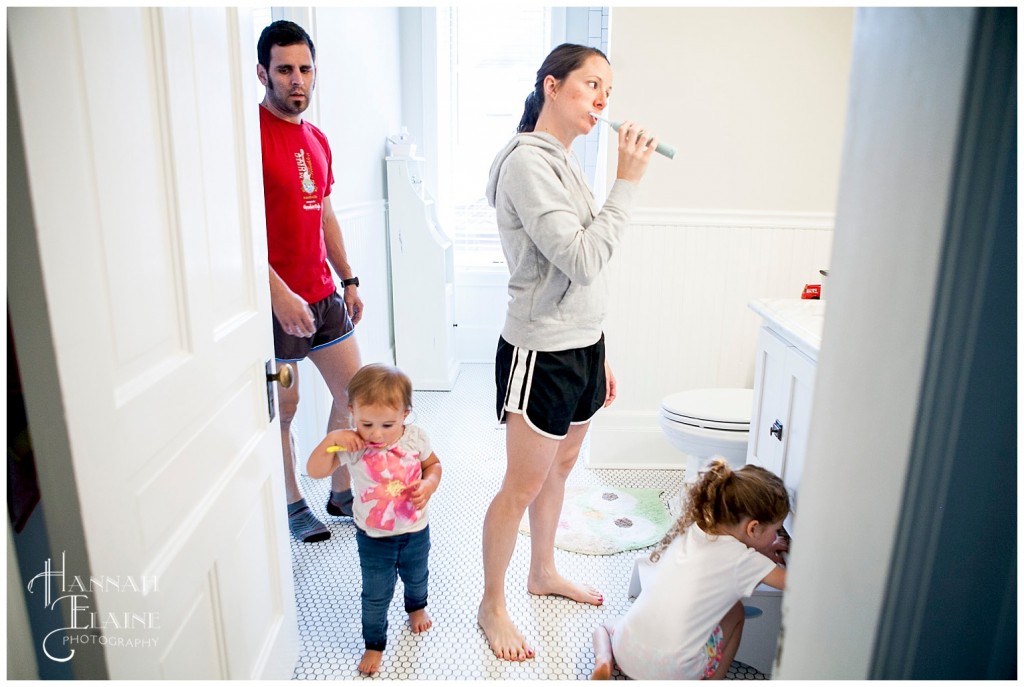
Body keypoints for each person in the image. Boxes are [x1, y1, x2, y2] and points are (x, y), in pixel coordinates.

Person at [477, 43, 659, 661]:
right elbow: (582, 257)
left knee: (561, 468)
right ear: (551, 87)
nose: (602, 99)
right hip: (542, 352)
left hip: (582, 346)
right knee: (522, 484)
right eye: (589, 84)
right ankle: (492, 603)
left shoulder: (565, 158)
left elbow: (583, 273)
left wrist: (598, 350)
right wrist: (627, 184)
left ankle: (543, 570)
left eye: (607, 88)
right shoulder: (529, 164)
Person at [257, 20, 364, 543]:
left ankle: (340, 491)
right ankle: (293, 501)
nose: (296, 79)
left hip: (324, 295)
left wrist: (349, 278)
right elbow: (238, 231)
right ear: (264, 72)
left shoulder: (317, 138)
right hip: (277, 306)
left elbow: (325, 216)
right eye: (284, 69)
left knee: (354, 394)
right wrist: (278, 294)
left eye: (304, 69)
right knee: (286, 408)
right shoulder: (249, 136)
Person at [590, 459, 790, 680]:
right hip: (675, 671)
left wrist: (763, 551)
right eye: (776, 530)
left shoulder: (692, 528)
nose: (776, 536)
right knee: (736, 612)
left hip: (628, 653)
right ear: (753, 528)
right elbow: (793, 583)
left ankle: (604, 659)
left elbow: (724, 561)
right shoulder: (744, 561)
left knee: (605, 627)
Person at [307, 363, 442, 676]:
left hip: (415, 530)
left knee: (417, 575)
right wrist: (331, 440)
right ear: (352, 411)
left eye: (387, 424)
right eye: (366, 423)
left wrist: (428, 485)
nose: (376, 434)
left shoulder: (415, 438)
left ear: (405, 415)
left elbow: (434, 466)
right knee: (375, 593)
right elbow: (315, 471)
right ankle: (374, 643)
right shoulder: (354, 445)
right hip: (374, 538)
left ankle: (416, 606)